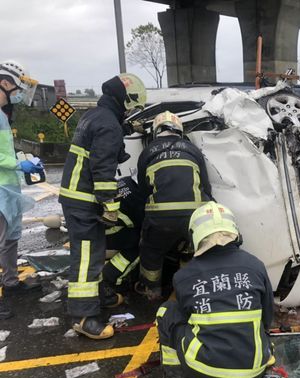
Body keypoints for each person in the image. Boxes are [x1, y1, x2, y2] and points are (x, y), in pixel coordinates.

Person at [155, 201, 273, 378]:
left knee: (167, 312)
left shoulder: (184, 276)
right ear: (234, 233)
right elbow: (266, 317)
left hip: (205, 368)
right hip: (255, 361)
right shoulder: (255, 265)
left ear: (195, 236)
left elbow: (187, 318)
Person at [58, 73, 146, 339]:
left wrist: (128, 129)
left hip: (77, 197)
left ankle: (98, 297)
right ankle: (84, 317)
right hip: (84, 200)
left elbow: (103, 146)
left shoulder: (97, 116)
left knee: (93, 253)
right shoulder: (108, 125)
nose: (133, 111)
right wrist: (109, 203)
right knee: (86, 258)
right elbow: (103, 167)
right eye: (133, 106)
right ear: (126, 100)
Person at [136, 111, 212, 302]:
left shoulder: (148, 152)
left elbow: (143, 189)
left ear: (156, 131)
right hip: (193, 216)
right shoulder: (193, 149)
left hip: (160, 218)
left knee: (151, 251)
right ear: (179, 130)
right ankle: (191, 288)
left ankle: (152, 290)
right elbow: (206, 185)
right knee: (190, 250)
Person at [0, 61, 44, 320]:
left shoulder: (3, 114)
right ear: (5, 83)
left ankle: (11, 281)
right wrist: (19, 163)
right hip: (1, 185)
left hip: (7, 185)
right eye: (18, 86)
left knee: (10, 238)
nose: (20, 92)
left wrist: (20, 159)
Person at [100, 176, 145, 307]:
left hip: (91, 227)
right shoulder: (137, 202)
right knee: (142, 243)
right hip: (102, 232)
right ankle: (111, 278)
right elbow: (145, 225)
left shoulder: (126, 181)